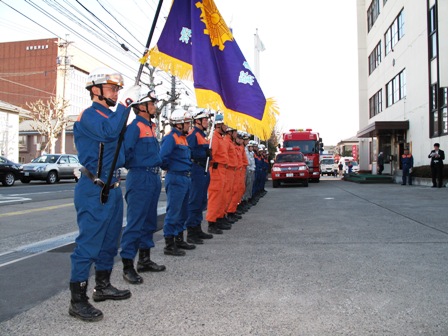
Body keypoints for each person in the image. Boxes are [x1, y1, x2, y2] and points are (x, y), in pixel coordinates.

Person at [69, 67, 140, 322]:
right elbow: (108, 133)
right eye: (112, 88)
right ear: (95, 90)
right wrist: (126, 103)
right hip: (93, 189)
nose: (116, 92)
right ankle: (77, 301)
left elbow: (120, 147)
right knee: (88, 245)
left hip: (112, 188)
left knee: (110, 242)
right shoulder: (90, 116)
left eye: (119, 89)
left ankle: (102, 286)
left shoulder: (111, 116)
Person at [119, 91, 166, 286]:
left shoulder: (150, 126)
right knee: (135, 222)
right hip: (140, 177)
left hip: (153, 177)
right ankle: (128, 266)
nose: (155, 106)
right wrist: (138, 166)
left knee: (148, 221)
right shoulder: (135, 126)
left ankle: (144, 260)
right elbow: (124, 153)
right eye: (151, 103)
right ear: (141, 107)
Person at [160, 108, 194, 256]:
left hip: (185, 177)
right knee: (174, 211)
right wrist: (172, 169)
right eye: (187, 123)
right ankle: (169, 244)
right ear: (179, 123)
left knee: (183, 211)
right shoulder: (171, 137)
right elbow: (163, 158)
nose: (189, 125)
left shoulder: (183, 138)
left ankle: (179, 238)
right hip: (176, 177)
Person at [185, 108, 214, 244]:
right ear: (197, 121)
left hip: (203, 169)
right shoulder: (193, 134)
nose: (207, 122)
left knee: (202, 200)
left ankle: (197, 227)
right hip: (196, 168)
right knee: (195, 200)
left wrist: (209, 153)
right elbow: (189, 152)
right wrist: (204, 154)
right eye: (205, 119)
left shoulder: (202, 135)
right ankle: (191, 231)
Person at [205, 114, 229, 234]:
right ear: (219, 125)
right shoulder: (214, 138)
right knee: (215, 197)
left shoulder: (221, 138)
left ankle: (219, 218)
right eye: (225, 124)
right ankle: (211, 222)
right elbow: (212, 156)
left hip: (222, 170)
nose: (227, 127)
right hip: (216, 170)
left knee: (222, 197)